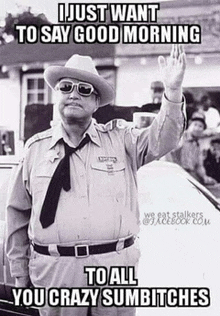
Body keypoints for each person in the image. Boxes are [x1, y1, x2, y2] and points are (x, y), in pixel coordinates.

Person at [6, 44, 186, 316]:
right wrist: (20, 275)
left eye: (84, 89)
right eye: (66, 87)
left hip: (114, 270)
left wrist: (171, 94)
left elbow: (164, 139)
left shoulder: (122, 140)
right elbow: (17, 216)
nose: (74, 95)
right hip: (56, 274)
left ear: (96, 101)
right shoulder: (34, 150)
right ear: (57, 94)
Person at [166, 113, 216, 185]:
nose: (197, 128)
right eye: (195, 124)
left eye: (200, 126)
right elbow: (168, 153)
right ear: (190, 125)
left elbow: (199, 166)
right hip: (176, 174)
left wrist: (205, 177)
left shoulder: (198, 145)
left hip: (190, 175)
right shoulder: (180, 137)